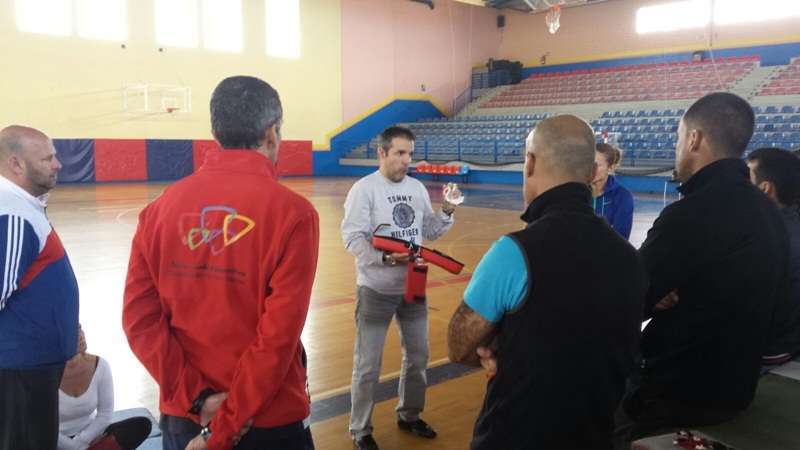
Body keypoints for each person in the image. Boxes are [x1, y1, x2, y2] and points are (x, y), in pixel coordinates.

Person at [123, 76, 319, 450]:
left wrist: (197, 399)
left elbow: (139, 321)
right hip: (266, 417)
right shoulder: (294, 214)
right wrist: (223, 428)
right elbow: (277, 339)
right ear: (272, 133)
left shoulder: (159, 209)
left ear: (215, 133)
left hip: (187, 417)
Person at [447, 115, 647, 450]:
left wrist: (502, 349)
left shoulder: (515, 252)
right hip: (595, 434)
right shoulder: (629, 257)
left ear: (530, 163)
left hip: (515, 434)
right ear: (592, 172)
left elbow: (459, 344)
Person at [614, 93, 789, 448]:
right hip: (737, 388)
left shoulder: (690, 215)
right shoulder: (769, 211)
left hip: (672, 395)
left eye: (679, 138)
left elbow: (627, 301)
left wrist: (652, 297)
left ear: (694, 139)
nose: (678, 148)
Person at [341, 126, 459, 450]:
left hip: (413, 286)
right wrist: (385, 258)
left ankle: (409, 414)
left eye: (410, 153)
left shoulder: (417, 188)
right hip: (375, 290)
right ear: (382, 153)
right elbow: (352, 238)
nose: (407, 160)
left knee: (419, 357)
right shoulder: (364, 190)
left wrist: (447, 210)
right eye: (400, 153)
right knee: (368, 366)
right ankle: (360, 429)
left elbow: (429, 231)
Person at [0, 125, 80, 450]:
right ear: (16, 164)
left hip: (28, 369)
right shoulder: (12, 213)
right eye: (48, 158)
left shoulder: (21, 207)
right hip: (20, 372)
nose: (58, 164)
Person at [746, 148, 800, 363]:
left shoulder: (765, 238)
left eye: (747, 179)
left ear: (765, 188)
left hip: (766, 350)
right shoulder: (789, 227)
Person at [58, 326, 152, 450]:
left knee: (141, 425)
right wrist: (75, 447)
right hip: (55, 441)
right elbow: (42, 427)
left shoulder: (100, 365)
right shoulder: (43, 376)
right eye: (72, 332)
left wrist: (83, 440)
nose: (80, 335)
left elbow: (105, 415)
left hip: (92, 437)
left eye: (79, 328)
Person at [592, 143, 634, 239]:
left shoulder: (623, 197)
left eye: (598, 165)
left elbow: (621, 237)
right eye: (590, 163)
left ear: (610, 168)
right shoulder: (576, 192)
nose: (592, 169)